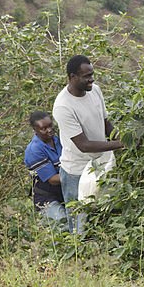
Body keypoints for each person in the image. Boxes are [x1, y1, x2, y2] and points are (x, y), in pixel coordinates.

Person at [52, 55, 124, 234]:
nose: (91, 79)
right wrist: (119, 144)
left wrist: (121, 138)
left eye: (92, 74)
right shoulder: (63, 106)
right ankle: (78, 259)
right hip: (77, 171)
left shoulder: (95, 90)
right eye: (86, 76)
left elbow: (105, 122)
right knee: (80, 224)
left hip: (101, 165)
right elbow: (83, 145)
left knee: (103, 217)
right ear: (72, 77)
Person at [24, 110, 68, 227]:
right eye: (44, 128)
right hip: (46, 198)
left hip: (64, 191)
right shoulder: (34, 150)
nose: (49, 130)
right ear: (35, 130)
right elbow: (52, 179)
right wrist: (76, 175)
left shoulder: (58, 139)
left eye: (50, 126)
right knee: (62, 223)